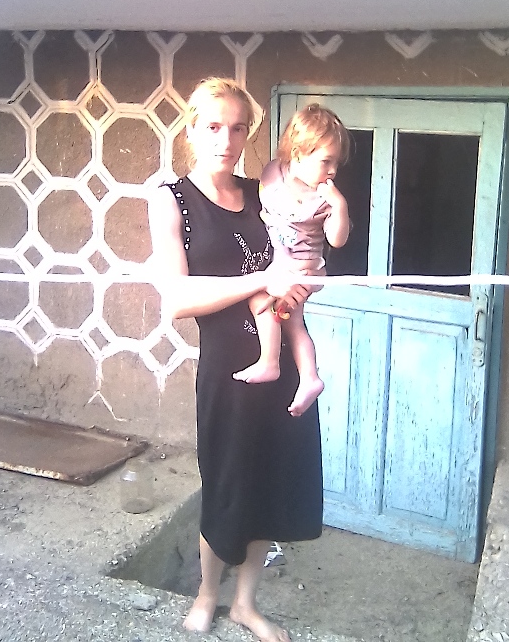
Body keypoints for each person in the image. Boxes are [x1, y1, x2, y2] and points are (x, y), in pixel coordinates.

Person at [147, 77, 323, 642]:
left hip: (282, 367)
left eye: (239, 127)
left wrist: (300, 281)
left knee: (266, 483)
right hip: (227, 371)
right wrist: (263, 278)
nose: (226, 139)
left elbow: (302, 250)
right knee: (224, 485)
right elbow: (177, 300)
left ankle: (245, 604)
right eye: (213, 126)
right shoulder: (173, 199)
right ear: (192, 129)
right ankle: (207, 594)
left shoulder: (264, 193)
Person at [233, 105, 350, 418]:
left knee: (261, 301)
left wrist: (339, 207)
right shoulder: (276, 173)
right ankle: (309, 377)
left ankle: (270, 362)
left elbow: (337, 240)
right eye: (326, 161)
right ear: (297, 153)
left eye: (336, 163)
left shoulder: (324, 199)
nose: (333, 171)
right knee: (293, 323)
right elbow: (265, 196)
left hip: (304, 267)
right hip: (283, 263)